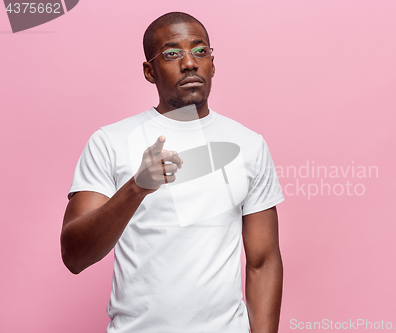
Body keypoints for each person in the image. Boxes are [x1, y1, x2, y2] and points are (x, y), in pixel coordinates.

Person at [60, 11, 284, 333]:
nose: (190, 63)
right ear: (149, 71)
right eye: (172, 54)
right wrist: (137, 187)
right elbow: (74, 256)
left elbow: (263, 262)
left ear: (213, 63)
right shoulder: (110, 141)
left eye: (200, 50)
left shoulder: (249, 144)